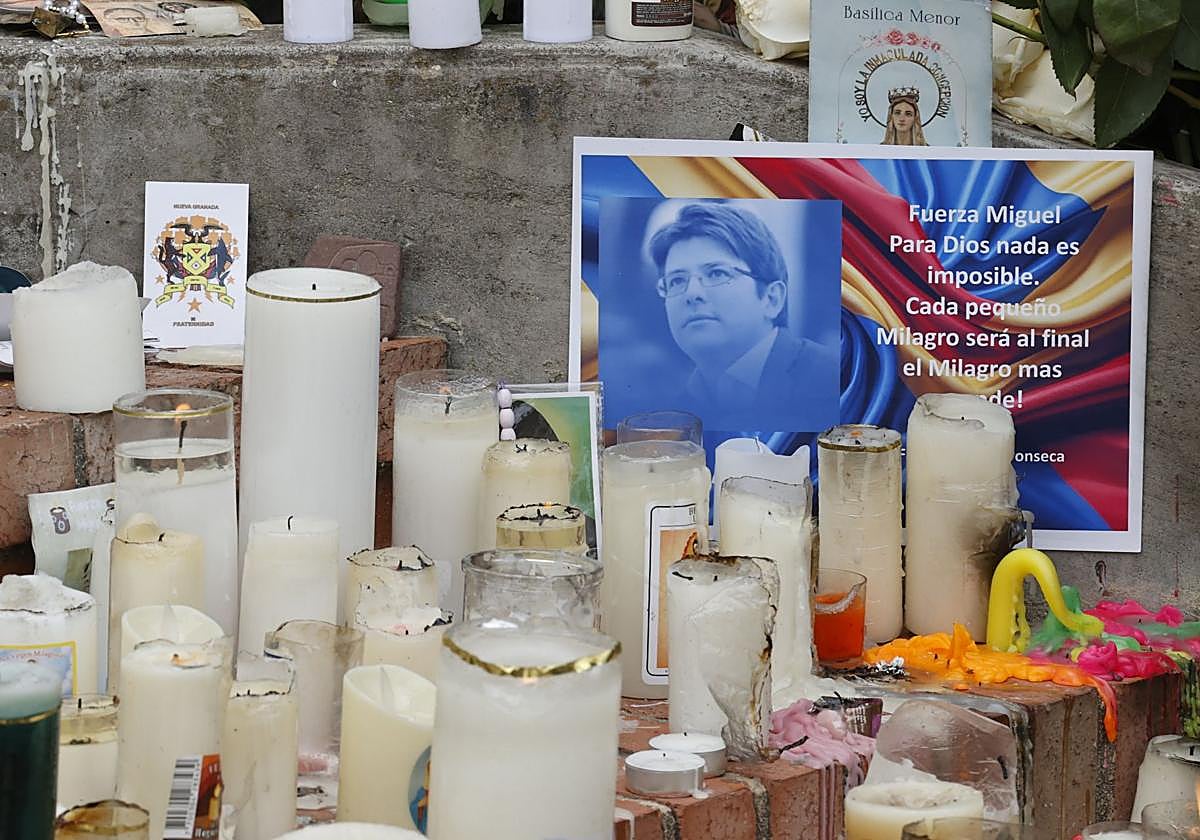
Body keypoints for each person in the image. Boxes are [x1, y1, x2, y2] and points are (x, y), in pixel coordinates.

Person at [647, 202, 837, 426]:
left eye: (717, 273)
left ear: (771, 299)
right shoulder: (670, 415)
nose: (692, 294)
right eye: (677, 280)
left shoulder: (833, 382)